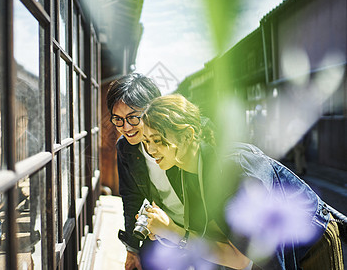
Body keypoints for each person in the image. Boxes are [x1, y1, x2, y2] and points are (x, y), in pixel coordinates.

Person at [140, 94, 343, 270]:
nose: (150, 150)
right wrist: (166, 232)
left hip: (311, 239)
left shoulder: (232, 168)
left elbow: (241, 258)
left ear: (187, 135)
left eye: (157, 140)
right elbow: (213, 240)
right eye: (146, 141)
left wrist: (174, 232)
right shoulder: (181, 170)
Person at [106, 73, 185, 270]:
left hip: (201, 228)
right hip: (163, 228)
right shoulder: (125, 148)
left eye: (133, 117)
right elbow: (131, 197)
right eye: (118, 119)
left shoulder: (179, 141)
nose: (126, 127)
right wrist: (132, 249)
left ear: (153, 110)